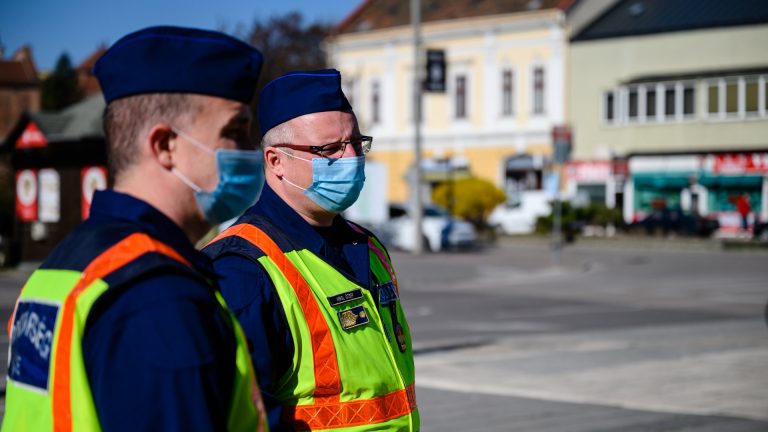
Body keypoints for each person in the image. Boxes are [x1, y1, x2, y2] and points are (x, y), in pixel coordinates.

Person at [3, 26, 268, 431]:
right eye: (234, 131)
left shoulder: (68, 262)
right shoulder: (160, 298)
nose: (252, 150)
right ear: (164, 146)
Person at [203, 69, 419, 431]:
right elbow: (234, 415)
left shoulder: (369, 246)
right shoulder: (243, 268)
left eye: (355, 143)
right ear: (276, 161)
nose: (351, 158)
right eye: (330, 149)